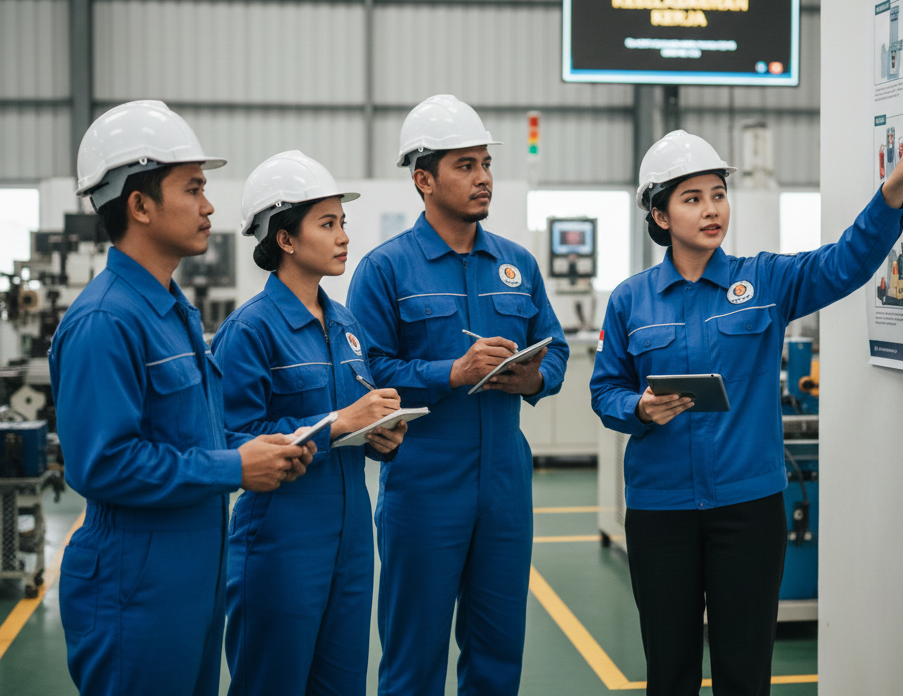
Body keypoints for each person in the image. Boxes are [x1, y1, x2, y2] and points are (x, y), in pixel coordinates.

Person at [589, 124, 903, 696]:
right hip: (661, 512)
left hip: (748, 510)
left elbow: (844, 263)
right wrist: (639, 408)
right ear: (659, 216)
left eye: (718, 195)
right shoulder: (630, 299)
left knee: (745, 671)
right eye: (692, 198)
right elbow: (605, 392)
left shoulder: (766, 281)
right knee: (670, 671)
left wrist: (891, 194)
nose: (712, 210)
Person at [49, 100, 315, 696]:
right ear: (139, 204)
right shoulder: (104, 321)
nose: (209, 205)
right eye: (193, 188)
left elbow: (192, 434)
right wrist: (234, 467)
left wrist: (254, 448)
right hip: (135, 585)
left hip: (193, 576)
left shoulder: (173, 312)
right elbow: (103, 463)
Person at [346, 94, 569, 696]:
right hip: (423, 485)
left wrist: (535, 378)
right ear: (424, 179)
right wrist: (452, 373)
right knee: (414, 657)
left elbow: (558, 350)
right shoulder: (385, 269)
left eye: (485, 164)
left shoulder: (517, 264)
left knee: (498, 652)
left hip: (504, 485)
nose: (483, 179)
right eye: (465, 166)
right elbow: (367, 372)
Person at [211, 151, 407, 695]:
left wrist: (380, 437)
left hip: (349, 541)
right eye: (328, 223)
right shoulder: (250, 330)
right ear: (286, 239)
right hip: (280, 543)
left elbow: (354, 423)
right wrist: (339, 424)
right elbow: (231, 441)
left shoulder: (346, 325)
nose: (344, 235)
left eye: (342, 222)